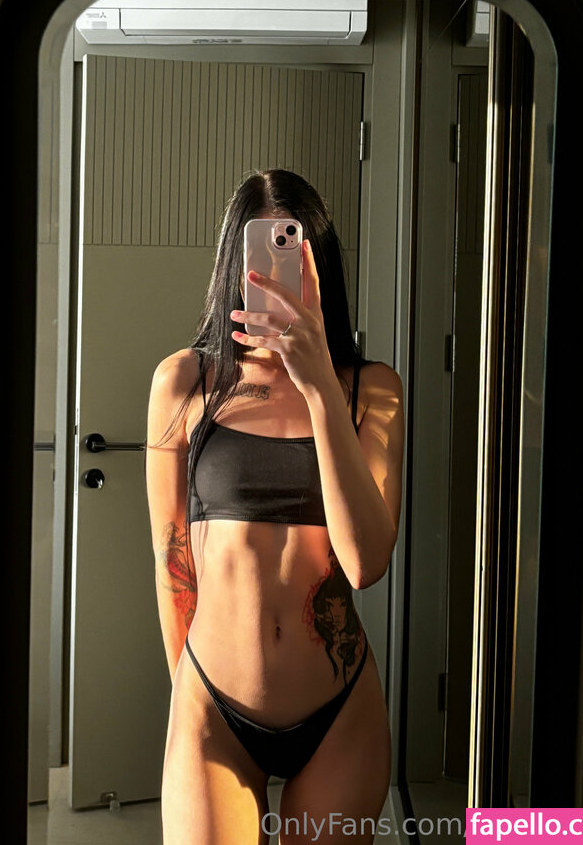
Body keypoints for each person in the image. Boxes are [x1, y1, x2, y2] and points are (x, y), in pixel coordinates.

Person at [146, 169, 404, 844]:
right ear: (234, 266)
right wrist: (187, 697)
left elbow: (365, 563)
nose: (269, 277)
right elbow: (171, 560)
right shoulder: (184, 382)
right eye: (257, 258)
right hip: (212, 706)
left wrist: (318, 384)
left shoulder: (371, 391)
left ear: (320, 269)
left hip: (339, 715)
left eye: (290, 256)